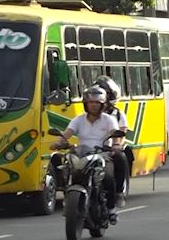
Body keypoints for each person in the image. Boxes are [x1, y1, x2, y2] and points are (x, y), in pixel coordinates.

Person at [50, 86, 122, 224]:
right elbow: (67, 134)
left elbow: (116, 135)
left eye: (97, 103)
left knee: (108, 177)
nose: (93, 105)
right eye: (90, 102)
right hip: (82, 154)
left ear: (103, 105)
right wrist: (58, 143)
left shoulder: (109, 120)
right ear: (85, 104)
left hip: (102, 155)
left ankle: (112, 209)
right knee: (66, 170)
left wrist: (116, 145)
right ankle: (69, 199)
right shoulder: (78, 120)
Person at [94, 75, 133, 208]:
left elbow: (121, 131)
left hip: (108, 150)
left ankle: (119, 192)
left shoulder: (117, 114)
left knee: (120, 158)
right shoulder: (86, 115)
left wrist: (116, 145)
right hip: (90, 149)